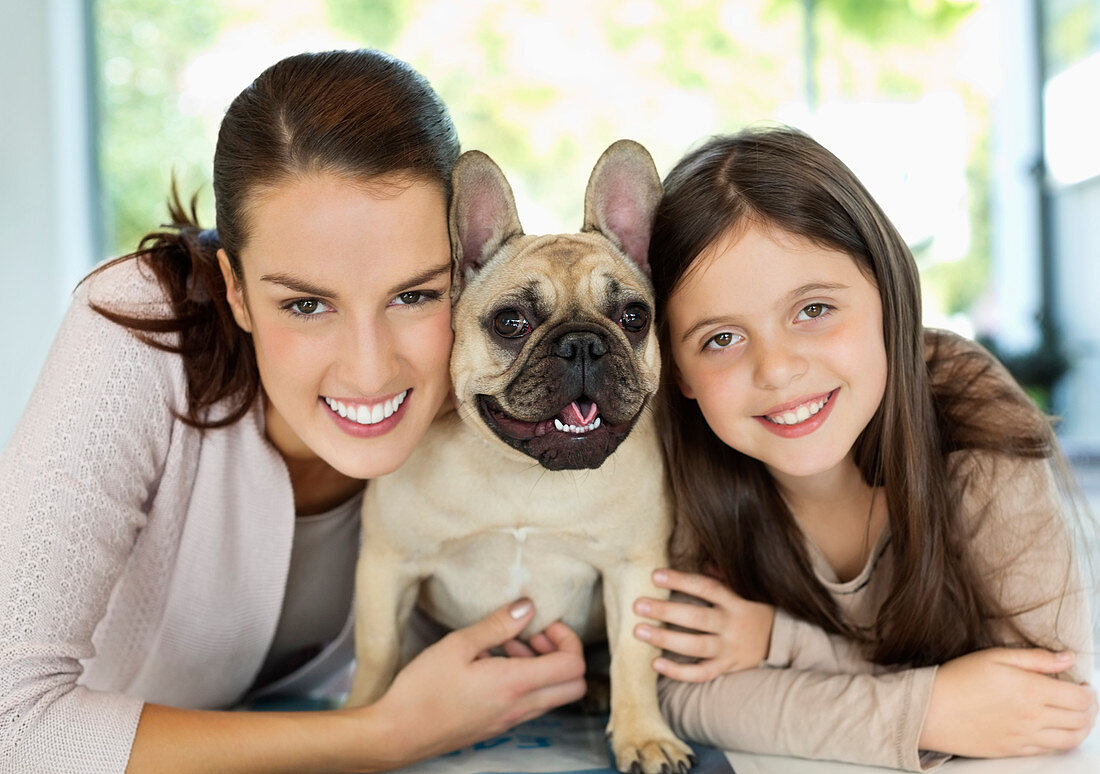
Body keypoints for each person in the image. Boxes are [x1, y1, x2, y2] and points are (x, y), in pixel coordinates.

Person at [0, 49, 586, 774]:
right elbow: (11, 725)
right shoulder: (134, 333)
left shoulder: (498, 374)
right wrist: (383, 734)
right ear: (237, 291)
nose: (370, 371)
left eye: (414, 295)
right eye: (306, 304)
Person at [631, 125, 1097, 771]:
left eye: (814, 309)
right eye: (720, 340)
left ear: (887, 294)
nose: (776, 369)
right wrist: (931, 710)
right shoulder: (683, 458)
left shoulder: (968, 409)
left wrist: (775, 644)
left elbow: (1047, 699)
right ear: (676, 368)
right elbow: (676, 689)